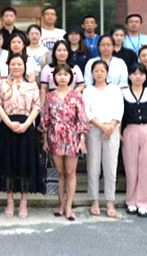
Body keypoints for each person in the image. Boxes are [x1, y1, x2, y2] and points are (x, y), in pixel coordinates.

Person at [0, 53, 44, 218]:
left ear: (25, 67)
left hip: (26, 127)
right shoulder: (1, 84)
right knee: (8, 163)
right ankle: (10, 200)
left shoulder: (32, 85)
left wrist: (26, 124)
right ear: (9, 66)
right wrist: (9, 123)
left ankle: (23, 201)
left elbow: (37, 107)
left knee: (25, 163)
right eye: (13, 64)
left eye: (19, 64)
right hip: (7, 126)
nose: (16, 67)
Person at [39, 64, 88, 221]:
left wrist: (82, 140)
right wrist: (45, 140)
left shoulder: (76, 95)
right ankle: (60, 204)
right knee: (59, 172)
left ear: (71, 77)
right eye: (59, 74)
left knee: (70, 172)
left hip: (72, 136)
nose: (62, 77)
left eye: (65, 74)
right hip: (54, 136)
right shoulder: (49, 96)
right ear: (54, 77)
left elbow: (82, 118)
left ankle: (69, 207)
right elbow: (45, 119)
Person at [83, 60, 123, 218]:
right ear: (92, 73)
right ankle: (94, 200)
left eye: (102, 71)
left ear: (107, 73)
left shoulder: (115, 89)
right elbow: (87, 112)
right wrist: (101, 126)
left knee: (111, 167)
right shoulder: (88, 91)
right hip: (94, 129)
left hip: (112, 129)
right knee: (93, 166)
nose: (99, 74)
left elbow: (119, 109)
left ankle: (110, 201)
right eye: (96, 71)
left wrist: (111, 126)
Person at [121, 63, 147, 218]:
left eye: (141, 74)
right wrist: (119, 133)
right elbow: (119, 115)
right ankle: (131, 201)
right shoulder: (123, 93)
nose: (138, 77)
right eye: (134, 73)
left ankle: (144, 203)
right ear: (129, 76)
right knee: (131, 168)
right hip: (129, 131)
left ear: (146, 77)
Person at [39, 40, 85, 104]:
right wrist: (42, 104)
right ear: (54, 52)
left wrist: (70, 95)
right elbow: (43, 88)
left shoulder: (75, 68)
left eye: (65, 50)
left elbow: (81, 85)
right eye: (59, 50)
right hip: (52, 101)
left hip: (71, 101)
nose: (62, 53)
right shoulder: (47, 68)